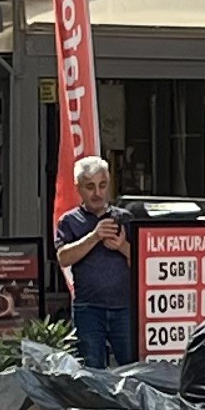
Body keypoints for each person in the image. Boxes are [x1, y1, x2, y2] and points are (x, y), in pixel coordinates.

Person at [52, 155, 135, 369]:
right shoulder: (69, 221)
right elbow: (63, 258)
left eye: (102, 185)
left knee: (133, 369)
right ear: (78, 188)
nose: (97, 193)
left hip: (124, 306)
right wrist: (94, 237)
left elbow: (145, 263)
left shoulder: (124, 218)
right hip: (88, 308)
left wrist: (122, 247)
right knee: (91, 370)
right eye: (90, 187)